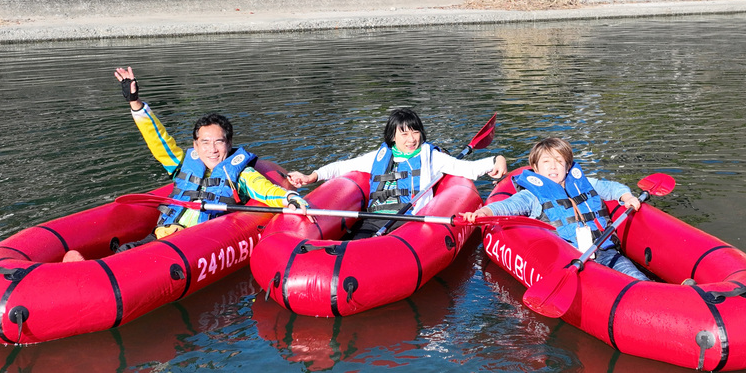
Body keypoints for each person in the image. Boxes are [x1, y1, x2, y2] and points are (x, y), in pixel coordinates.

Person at [113, 66, 305, 247]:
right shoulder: (180, 164)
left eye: (218, 142)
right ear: (195, 145)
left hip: (197, 244)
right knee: (124, 252)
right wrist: (135, 103)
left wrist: (290, 198)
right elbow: (157, 139)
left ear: (229, 144)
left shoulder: (241, 175)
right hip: (162, 237)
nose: (212, 149)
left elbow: (267, 191)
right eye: (205, 142)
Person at [287, 107, 507, 238]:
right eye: (404, 134)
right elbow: (343, 166)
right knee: (352, 246)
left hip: (409, 223)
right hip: (372, 218)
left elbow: (466, 169)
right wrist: (311, 176)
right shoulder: (379, 156)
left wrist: (496, 160)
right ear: (392, 137)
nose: (412, 139)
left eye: (415, 131)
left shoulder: (431, 156)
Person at [463, 136, 649, 281]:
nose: (553, 166)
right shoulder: (532, 195)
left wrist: (627, 196)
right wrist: (482, 213)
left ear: (567, 166)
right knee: (608, 284)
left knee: (637, 278)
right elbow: (507, 206)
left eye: (559, 161)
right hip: (572, 261)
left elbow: (611, 188)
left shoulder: (583, 184)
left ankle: (667, 296)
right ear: (536, 168)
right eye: (546, 162)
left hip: (606, 251)